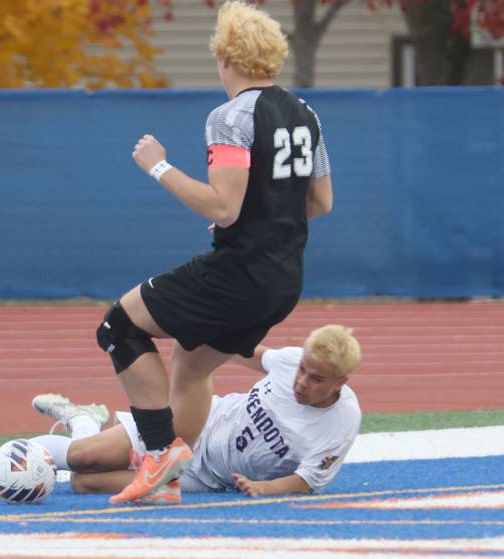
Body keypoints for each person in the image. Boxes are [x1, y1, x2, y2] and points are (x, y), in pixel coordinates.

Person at [94, 0, 335, 504]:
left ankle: (159, 453)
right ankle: (169, 480)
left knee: (119, 326)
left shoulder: (230, 116)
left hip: (239, 273)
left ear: (225, 58)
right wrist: (259, 217)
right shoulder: (306, 113)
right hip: (284, 279)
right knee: (192, 363)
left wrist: (159, 167)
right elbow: (320, 202)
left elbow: (223, 208)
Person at [0, 325, 361, 502]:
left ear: (340, 382)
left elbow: (307, 481)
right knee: (84, 457)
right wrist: (202, 334)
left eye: (316, 379)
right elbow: (245, 352)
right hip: (193, 425)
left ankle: (82, 419)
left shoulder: (341, 424)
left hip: (206, 478)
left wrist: (264, 488)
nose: (302, 381)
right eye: (303, 369)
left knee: (84, 483)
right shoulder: (290, 362)